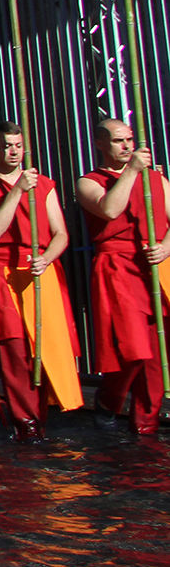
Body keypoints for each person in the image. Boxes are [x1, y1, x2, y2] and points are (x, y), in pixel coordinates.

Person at [0, 121, 81, 439]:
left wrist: (47, 257)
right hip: (3, 276)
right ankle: (25, 423)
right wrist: (17, 190)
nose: (13, 151)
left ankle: (42, 417)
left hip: (39, 270)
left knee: (44, 350)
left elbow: (60, 233)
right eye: (6, 146)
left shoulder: (43, 185)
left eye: (17, 145)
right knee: (15, 351)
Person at [76, 117, 170, 435]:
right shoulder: (89, 182)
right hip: (117, 268)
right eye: (119, 140)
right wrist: (131, 172)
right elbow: (110, 210)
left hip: (153, 266)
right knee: (133, 349)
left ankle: (146, 423)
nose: (128, 145)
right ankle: (109, 400)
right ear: (101, 143)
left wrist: (166, 247)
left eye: (130, 139)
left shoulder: (157, 179)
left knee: (158, 353)